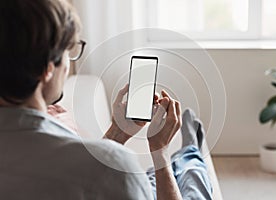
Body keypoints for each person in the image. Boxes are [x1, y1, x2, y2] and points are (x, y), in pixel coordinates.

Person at [0, 0, 212, 199]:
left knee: (167, 175)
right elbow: (91, 174)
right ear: (47, 70)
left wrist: (118, 133)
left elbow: (80, 169)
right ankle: (190, 151)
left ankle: (188, 154)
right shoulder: (115, 169)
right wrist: (160, 152)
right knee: (194, 184)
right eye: (68, 52)